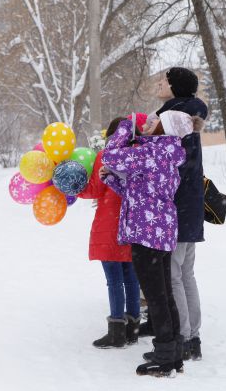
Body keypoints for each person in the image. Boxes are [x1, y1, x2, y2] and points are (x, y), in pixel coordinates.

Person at [100, 111, 194, 377]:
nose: (146, 123)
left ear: (165, 128)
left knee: (156, 297)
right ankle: (173, 353)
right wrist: (112, 178)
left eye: (153, 122)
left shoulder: (151, 153)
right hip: (160, 231)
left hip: (146, 233)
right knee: (164, 294)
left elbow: (110, 154)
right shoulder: (165, 153)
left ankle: (165, 358)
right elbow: (140, 193)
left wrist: (124, 128)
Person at [140, 67, 208, 361]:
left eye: (163, 81)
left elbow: (171, 163)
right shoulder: (188, 114)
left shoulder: (174, 118)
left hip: (175, 205)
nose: (158, 83)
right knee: (186, 273)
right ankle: (193, 338)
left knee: (174, 275)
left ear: (176, 87)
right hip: (189, 203)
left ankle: (184, 336)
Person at [78, 115, 146, 349]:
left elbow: (95, 189)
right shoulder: (141, 154)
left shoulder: (106, 155)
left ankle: (117, 332)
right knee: (131, 275)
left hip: (110, 221)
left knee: (113, 279)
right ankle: (133, 328)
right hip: (135, 221)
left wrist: (77, 187)